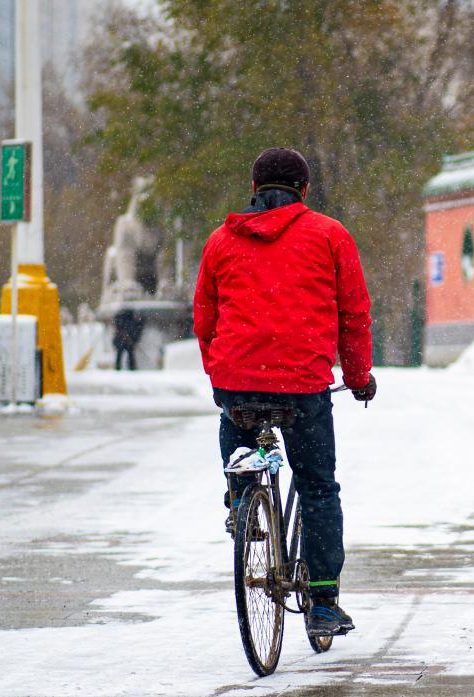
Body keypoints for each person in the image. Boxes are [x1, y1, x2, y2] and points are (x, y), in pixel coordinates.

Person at [193, 147, 375, 638]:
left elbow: (205, 320)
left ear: (253, 189)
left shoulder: (219, 243)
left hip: (238, 382)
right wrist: (358, 377)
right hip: (303, 387)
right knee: (317, 487)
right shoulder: (330, 235)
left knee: (236, 421)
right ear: (306, 190)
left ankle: (240, 497)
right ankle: (322, 600)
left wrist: (220, 376)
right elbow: (353, 315)